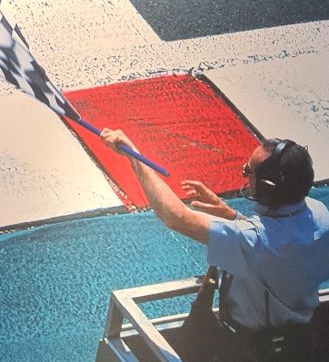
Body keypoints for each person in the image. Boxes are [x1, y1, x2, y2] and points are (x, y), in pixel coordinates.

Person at [100, 129, 329, 361]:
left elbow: (175, 217)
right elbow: (276, 243)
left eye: (249, 172)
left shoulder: (253, 241)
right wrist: (230, 215)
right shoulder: (320, 215)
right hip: (298, 344)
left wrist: (134, 155)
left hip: (248, 350)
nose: (246, 177)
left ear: (268, 188)